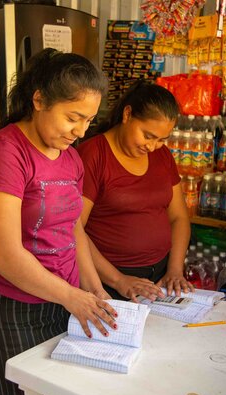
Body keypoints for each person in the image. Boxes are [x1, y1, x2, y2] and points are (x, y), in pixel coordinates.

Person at [0, 48, 117, 395]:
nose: (80, 132)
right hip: (14, 306)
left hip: (63, 301)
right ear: (39, 100)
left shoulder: (70, 158)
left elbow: (73, 229)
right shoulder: (4, 154)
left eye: (89, 121)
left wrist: (93, 290)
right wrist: (72, 297)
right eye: (73, 118)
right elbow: (3, 255)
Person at [78, 80, 193, 302]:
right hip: (106, 283)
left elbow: (179, 217)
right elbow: (74, 229)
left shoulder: (162, 156)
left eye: (161, 139)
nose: (152, 146)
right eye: (148, 136)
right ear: (127, 114)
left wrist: (175, 270)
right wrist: (118, 280)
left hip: (159, 279)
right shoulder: (93, 155)